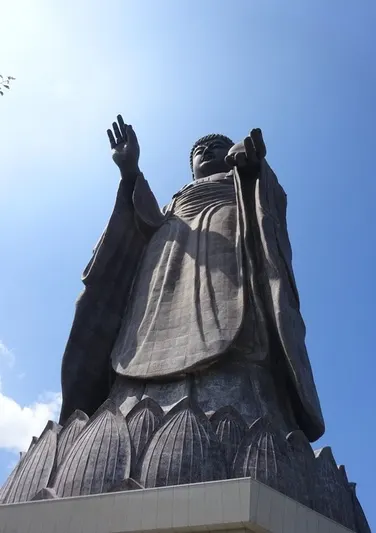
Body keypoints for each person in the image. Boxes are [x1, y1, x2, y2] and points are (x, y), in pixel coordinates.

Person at [59, 115, 324, 445]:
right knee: (140, 331)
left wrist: (253, 169)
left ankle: (237, 396)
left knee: (235, 317)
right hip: (167, 261)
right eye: (199, 151)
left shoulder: (240, 182)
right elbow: (148, 221)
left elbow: (268, 206)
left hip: (227, 243)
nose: (207, 152)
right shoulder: (176, 199)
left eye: (217, 147)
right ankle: (130, 404)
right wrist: (130, 171)